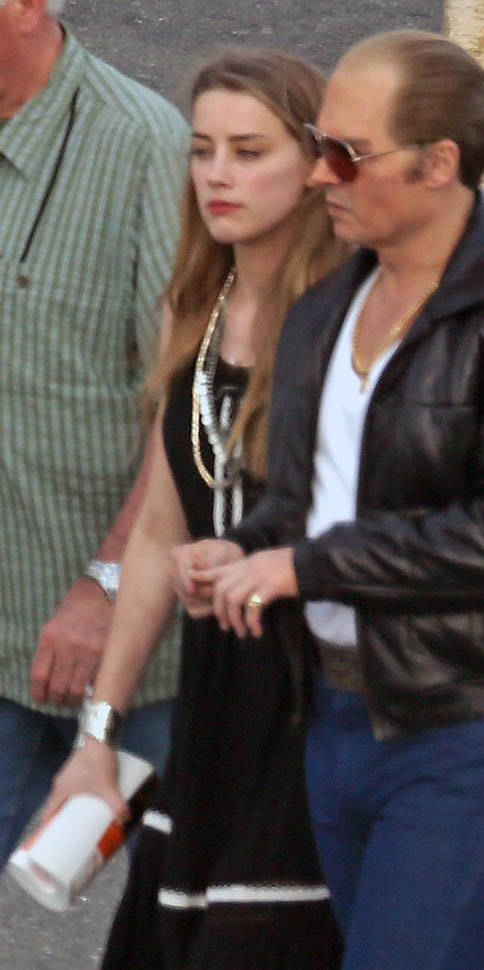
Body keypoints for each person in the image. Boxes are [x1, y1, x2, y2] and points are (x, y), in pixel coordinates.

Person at [172, 29, 484, 970]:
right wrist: (243, 547)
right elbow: (312, 503)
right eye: (318, 146)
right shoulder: (328, 308)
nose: (320, 175)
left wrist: (303, 567)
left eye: (347, 154)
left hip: (471, 735)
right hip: (336, 724)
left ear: (438, 163)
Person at [46, 48, 346, 970]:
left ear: (313, 166)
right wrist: (99, 736)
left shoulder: (346, 321)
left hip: (309, 711)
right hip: (214, 704)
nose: (218, 174)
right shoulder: (196, 307)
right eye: (203, 149)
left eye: (249, 152)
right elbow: (157, 532)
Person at [0, 0, 188, 867]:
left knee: (193, 900)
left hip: (134, 658)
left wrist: (105, 583)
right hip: (8, 645)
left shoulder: (145, 147)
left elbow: (193, 402)